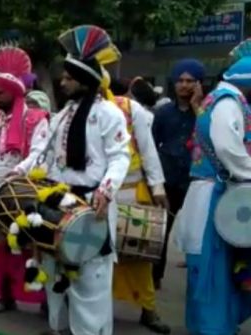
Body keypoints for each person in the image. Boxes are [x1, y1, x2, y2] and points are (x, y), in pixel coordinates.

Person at [22, 25, 130, 335]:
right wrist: (20, 171)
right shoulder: (62, 115)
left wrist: (107, 191)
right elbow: (41, 153)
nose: (63, 82)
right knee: (55, 274)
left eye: (69, 78)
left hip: (91, 207)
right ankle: (60, 329)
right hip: (58, 205)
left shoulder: (109, 114)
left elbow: (120, 156)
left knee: (90, 283)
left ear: (85, 80)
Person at [173, 40, 251, 335]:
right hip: (214, 196)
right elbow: (229, 150)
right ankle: (213, 328)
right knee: (213, 270)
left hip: (209, 192)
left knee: (213, 268)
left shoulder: (217, 99)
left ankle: (213, 324)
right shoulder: (229, 103)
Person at [0, 47, 49, 313]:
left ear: (15, 92)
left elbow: (40, 153)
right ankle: (4, 296)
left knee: (30, 247)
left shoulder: (36, 119)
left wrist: (19, 173)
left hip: (23, 191)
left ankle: (43, 300)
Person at [103, 74, 171, 334]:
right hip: (98, 194)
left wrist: (157, 186)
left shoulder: (133, 110)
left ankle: (149, 310)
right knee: (96, 258)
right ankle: (93, 312)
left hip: (132, 191)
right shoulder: (85, 108)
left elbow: (147, 148)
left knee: (139, 256)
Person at [152, 59, 203, 284]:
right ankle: (155, 278)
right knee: (161, 231)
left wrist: (196, 107)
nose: (184, 85)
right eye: (180, 80)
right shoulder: (163, 113)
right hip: (169, 179)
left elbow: (209, 136)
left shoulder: (205, 112)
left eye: (190, 81)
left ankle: (199, 279)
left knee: (196, 232)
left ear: (199, 84)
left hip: (196, 181)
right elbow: (152, 145)